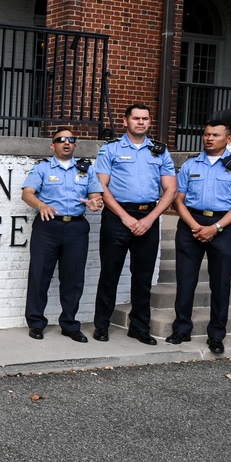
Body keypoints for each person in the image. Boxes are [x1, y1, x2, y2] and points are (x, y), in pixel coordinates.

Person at [167, 120, 231, 354]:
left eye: (215, 135)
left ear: (228, 139)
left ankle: (217, 335)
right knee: (186, 280)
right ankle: (181, 329)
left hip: (223, 227)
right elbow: (178, 199)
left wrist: (215, 227)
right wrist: (195, 225)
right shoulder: (190, 165)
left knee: (220, 283)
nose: (209, 138)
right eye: (206, 134)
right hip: (191, 224)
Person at [93, 104, 176, 345]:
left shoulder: (160, 152)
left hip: (148, 217)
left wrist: (150, 219)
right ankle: (102, 325)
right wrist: (125, 218)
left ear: (150, 122)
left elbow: (170, 190)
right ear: (126, 120)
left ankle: (139, 328)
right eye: (136, 118)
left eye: (145, 119)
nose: (141, 122)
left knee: (143, 276)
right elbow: (102, 187)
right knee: (110, 273)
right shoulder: (111, 150)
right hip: (118, 217)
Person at [22, 129, 104, 342]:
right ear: (53, 145)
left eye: (71, 140)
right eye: (61, 140)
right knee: (40, 276)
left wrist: (95, 203)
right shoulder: (42, 168)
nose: (66, 143)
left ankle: (69, 324)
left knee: (73, 278)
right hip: (48, 227)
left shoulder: (86, 169)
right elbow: (27, 193)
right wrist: (41, 205)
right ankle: (36, 323)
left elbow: (96, 197)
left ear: (75, 145)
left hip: (76, 228)